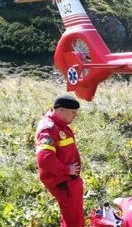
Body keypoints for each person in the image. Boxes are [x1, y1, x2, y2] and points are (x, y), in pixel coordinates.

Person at [34, 94, 84, 227]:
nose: (75, 115)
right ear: (61, 110)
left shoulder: (60, 124)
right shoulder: (49, 128)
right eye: (73, 112)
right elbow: (44, 158)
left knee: (73, 217)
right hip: (64, 183)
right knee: (73, 221)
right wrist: (67, 169)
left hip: (70, 183)